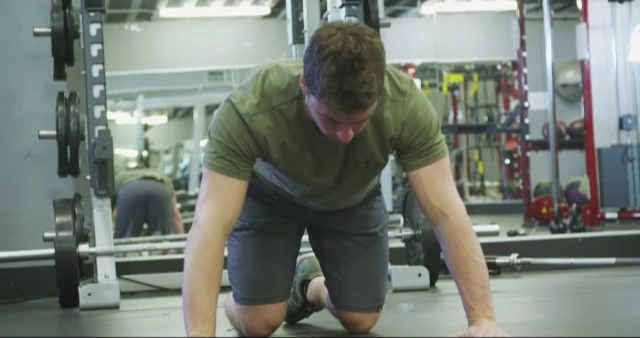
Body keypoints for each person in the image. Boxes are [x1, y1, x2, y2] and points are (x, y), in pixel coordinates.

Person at [182, 21, 510, 337]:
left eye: (359, 122)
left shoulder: (405, 106)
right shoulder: (249, 110)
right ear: (304, 86)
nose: (344, 136)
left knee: (360, 319)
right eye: (331, 119)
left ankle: (309, 286)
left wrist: (483, 320)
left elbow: (446, 213)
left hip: (353, 198)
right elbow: (209, 225)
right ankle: (244, 301)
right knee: (259, 323)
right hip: (271, 199)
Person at [112, 164, 184, 238]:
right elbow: (175, 214)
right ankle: (166, 247)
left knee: (124, 241)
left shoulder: (120, 176)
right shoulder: (161, 175)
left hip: (130, 191)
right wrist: (183, 243)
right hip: (159, 189)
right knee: (162, 238)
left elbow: (110, 212)